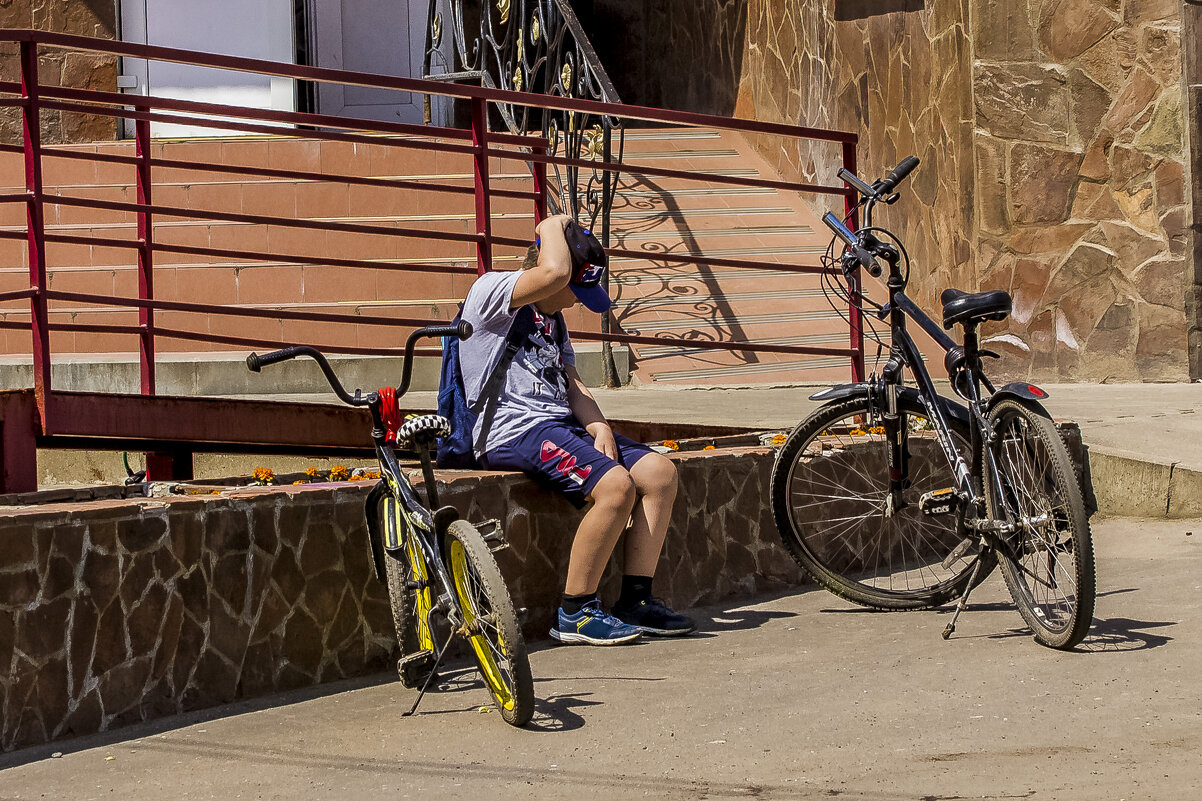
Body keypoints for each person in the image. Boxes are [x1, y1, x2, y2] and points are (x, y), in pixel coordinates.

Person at [459, 213, 695, 644]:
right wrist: (554, 224)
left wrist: (599, 425)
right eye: (575, 290)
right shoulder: (491, 293)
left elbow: (571, 382)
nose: (577, 301)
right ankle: (576, 611)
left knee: (660, 474)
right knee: (616, 487)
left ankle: (635, 600)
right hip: (512, 429)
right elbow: (553, 272)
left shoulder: (553, 320)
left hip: (558, 423)